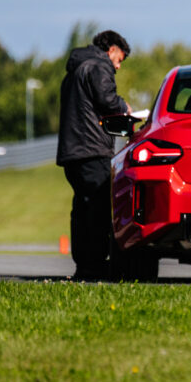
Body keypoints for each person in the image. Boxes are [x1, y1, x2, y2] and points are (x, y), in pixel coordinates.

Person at [57, 29, 131, 278]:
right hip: (92, 149)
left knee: (82, 208)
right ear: (111, 49)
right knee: (98, 210)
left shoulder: (75, 69)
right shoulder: (99, 66)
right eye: (119, 59)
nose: (118, 67)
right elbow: (107, 100)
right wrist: (125, 107)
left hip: (72, 152)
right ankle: (95, 266)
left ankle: (84, 265)